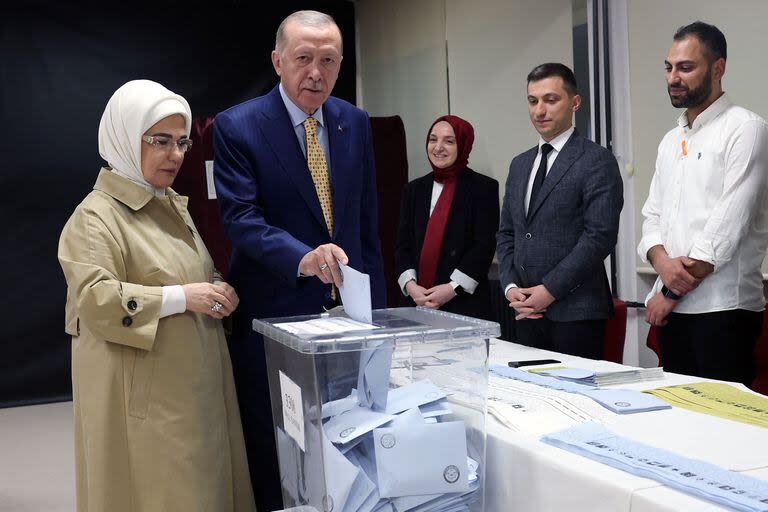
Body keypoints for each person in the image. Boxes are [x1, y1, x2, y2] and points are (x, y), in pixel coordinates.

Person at [213, 10, 385, 510]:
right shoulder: (237, 126)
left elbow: (365, 222)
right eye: (303, 59)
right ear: (277, 61)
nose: (316, 72)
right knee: (278, 445)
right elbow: (241, 219)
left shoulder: (353, 122)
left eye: (328, 61)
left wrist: (376, 315)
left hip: (346, 324)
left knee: (346, 440)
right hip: (274, 316)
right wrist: (302, 257)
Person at [57, 80, 255, 512]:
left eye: (182, 142)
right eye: (160, 141)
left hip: (192, 388)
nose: (176, 154)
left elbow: (191, 273)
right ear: (126, 138)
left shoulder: (167, 205)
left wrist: (218, 287)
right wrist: (185, 297)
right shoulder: (96, 217)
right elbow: (97, 300)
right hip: (146, 402)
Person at [638, 22, 768, 385]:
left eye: (686, 67)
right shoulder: (670, 140)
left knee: (722, 430)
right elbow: (652, 218)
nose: (673, 77)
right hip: (671, 309)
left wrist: (668, 291)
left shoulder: (746, 129)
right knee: (680, 424)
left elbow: (723, 233)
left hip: (724, 309)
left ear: (718, 68)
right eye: (669, 67)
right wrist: (661, 263)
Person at [496, 63, 624, 359]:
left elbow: (599, 237)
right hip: (525, 310)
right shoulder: (520, 164)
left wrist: (548, 291)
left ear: (575, 102)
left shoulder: (596, 160)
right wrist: (510, 285)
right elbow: (507, 233)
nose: (540, 110)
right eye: (533, 101)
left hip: (575, 313)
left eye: (551, 100)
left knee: (575, 401)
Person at [395, 115, 499, 319]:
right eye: (433, 139)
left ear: (463, 145)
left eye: (449, 141)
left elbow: (483, 247)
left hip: (464, 305)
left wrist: (452, 288)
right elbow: (402, 246)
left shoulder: (483, 188)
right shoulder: (413, 190)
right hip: (416, 304)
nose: (438, 147)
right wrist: (411, 285)